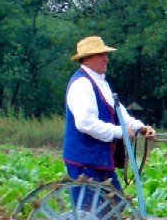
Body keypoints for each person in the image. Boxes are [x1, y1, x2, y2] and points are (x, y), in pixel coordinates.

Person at [63, 35, 156, 189]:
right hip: (84, 162)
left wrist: (140, 128)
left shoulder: (101, 82)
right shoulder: (82, 84)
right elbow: (86, 123)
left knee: (116, 206)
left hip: (99, 160)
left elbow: (120, 114)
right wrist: (121, 132)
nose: (106, 59)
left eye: (105, 54)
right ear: (86, 59)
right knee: (91, 212)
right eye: (100, 55)